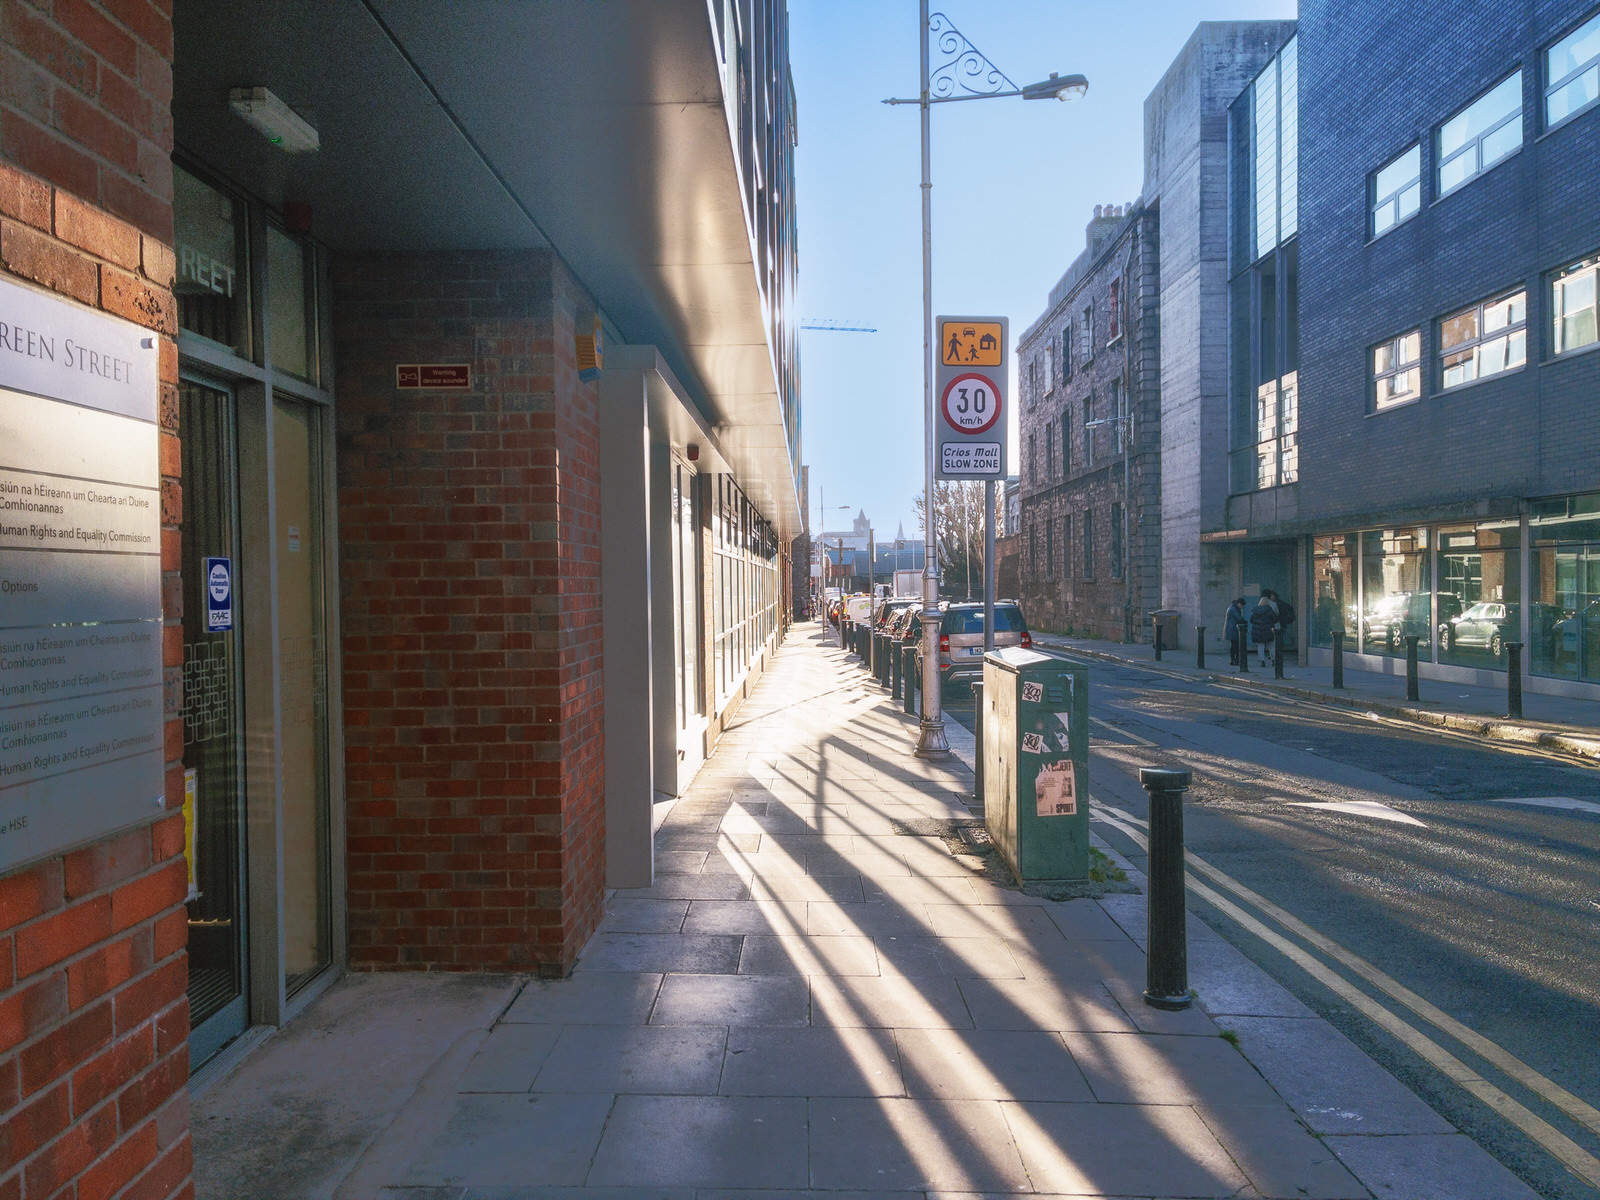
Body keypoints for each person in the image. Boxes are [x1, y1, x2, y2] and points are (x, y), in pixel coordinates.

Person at [1249, 592, 1280, 666]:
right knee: (1271, 645)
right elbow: (1275, 619)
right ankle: (1273, 660)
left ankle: (1262, 661)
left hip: (1258, 630)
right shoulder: (1269, 610)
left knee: (1260, 646)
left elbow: (1251, 620)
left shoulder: (1255, 610)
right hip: (1268, 629)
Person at [1224, 597, 1249, 665]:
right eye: (1241, 605)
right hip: (1233, 629)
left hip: (1232, 629)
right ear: (1239, 603)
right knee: (1235, 645)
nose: (1241, 607)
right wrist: (1244, 621)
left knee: (1235, 645)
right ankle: (1234, 659)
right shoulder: (1233, 609)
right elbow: (1238, 618)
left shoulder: (1233, 607)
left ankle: (1235, 659)